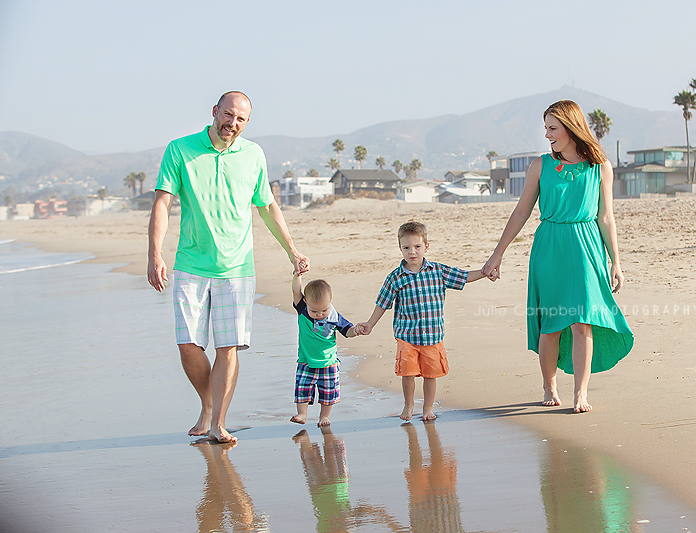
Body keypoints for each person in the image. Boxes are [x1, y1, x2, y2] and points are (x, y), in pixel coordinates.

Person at [147, 91, 309, 443]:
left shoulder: (253, 155)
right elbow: (162, 201)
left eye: (240, 119)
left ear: (246, 123)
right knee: (188, 344)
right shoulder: (180, 149)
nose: (232, 124)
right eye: (228, 115)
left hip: (236, 268)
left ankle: (218, 421)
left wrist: (292, 250)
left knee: (228, 346)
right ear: (214, 112)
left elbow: (266, 206)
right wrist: (155, 253)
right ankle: (208, 403)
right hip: (190, 263)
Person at [482, 99, 634, 413]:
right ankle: (549, 385)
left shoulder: (600, 165)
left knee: (583, 322)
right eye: (546, 128)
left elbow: (606, 217)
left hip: (586, 246)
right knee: (550, 323)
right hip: (549, 246)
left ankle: (581, 393)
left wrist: (616, 261)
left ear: (571, 127)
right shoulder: (540, 165)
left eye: (553, 128)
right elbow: (522, 211)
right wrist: (497, 254)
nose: (548, 134)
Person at [358, 221, 487, 421]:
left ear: (426, 246)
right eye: (406, 248)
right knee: (407, 374)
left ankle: (428, 408)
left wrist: (486, 272)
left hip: (433, 336)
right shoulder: (395, 277)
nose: (412, 252)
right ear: (400, 248)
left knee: (430, 375)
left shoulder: (438, 271)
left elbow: (463, 276)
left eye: (417, 247)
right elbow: (383, 303)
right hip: (407, 336)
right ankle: (409, 405)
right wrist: (370, 324)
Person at [290, 274, 358, 427]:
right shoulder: (302, 309)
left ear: (331, 300)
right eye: (314, 312)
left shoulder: (334, 317)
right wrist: (297, 275)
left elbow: (347, 330)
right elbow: (296, 291)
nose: (319, 315)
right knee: (302, 389)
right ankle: (302, 414)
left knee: (328, 393)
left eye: (323, 310)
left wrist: (356, 330)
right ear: (305, 301)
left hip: (329, 363)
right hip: (306, 362)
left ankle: (324, 416)